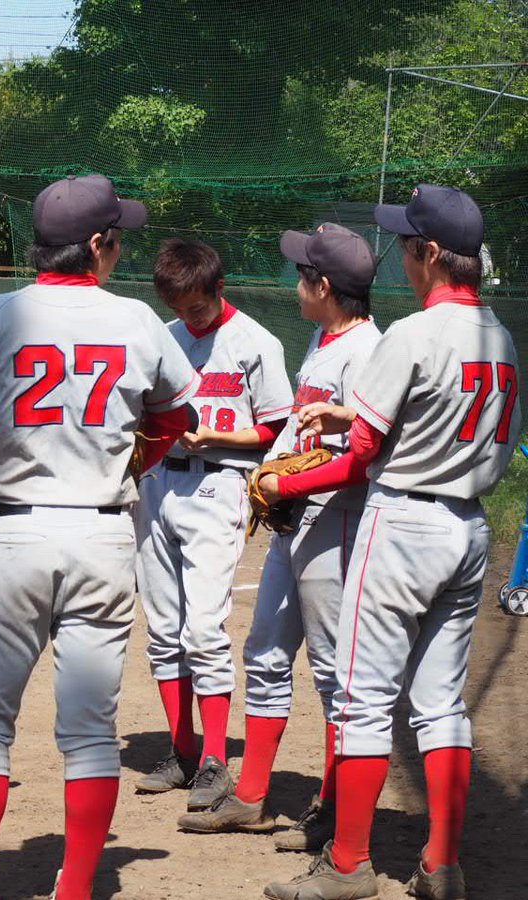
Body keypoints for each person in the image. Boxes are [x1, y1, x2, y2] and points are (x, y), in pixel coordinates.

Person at [0, 174, 200, 900]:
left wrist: (20, 461)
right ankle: (75, 890)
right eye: (119, 238)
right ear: (99, 245)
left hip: (16, 532)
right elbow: (173, 421)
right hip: (104, 538)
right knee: (87, 732)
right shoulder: (139, 321)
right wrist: (126, 460)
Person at [266, 185, 520, 900]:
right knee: (440, 705)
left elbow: (367, 450)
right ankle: (442, 864)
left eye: (409, 245)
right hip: (468, 528)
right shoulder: (499, 333)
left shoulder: (411, 333)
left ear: (432, 254)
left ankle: (348, 867)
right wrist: (351, 414)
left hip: (402, 521)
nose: (402, 257)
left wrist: (285, 484)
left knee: (363, 699)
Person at [176, 224, 380, 850]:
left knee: (333, 676)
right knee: (264, 654)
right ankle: (253, 799)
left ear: (324, 286)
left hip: (335, 522)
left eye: (301, 277)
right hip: (296, 524)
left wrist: (284, 484)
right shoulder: (324, 337)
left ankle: (334, 812)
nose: (295, 287)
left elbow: (368, 453)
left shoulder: (368, 350)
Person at [133, 238, 292, 811]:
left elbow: (276, 428)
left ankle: (215, 762)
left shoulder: (255, 342)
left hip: (218, 482)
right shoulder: (166, 337)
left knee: (203, 629)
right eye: (177, 306)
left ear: (218, 289)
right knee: (162, 628)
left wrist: (219, 437)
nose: (187, 316)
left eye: (196, 306)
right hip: (159, 482)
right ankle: (180, 751)